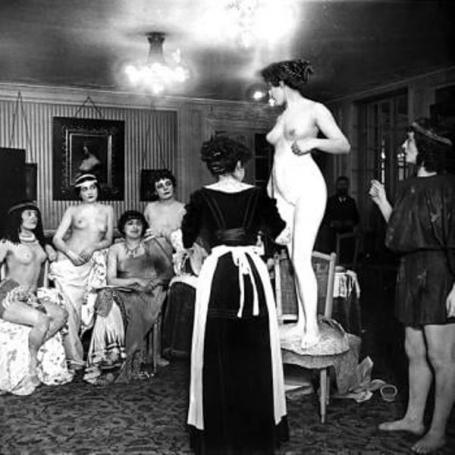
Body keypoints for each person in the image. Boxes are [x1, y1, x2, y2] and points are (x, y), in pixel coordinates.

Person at [184, 136, 290, 454]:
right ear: (240, 166)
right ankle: (256, 430)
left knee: (216, 345)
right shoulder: (257, 195)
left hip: (218, 275)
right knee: (255, 346)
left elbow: (187, 238)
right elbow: (281, 233)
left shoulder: (201, 197)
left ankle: (218, 432)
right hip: (252, 276)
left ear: (215, 168)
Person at [369, 118, 455, 454]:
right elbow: (401, 234)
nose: (403, 147)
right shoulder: (406, 186)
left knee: (441, 357)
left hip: (441, 273)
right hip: (410, 271)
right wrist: (382, 203)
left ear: (426, 149)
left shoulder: (449, 186)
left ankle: (438, 431)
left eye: (409, 142)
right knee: (414, 351)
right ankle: (414, 419)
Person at [261, 59, 350, 349]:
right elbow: (279, 154)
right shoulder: (281, 117)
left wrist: (314, 143)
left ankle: (312, 327)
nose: (269, 94)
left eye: (271, 88)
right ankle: (301, 322)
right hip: (282, 194)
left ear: (281, 83)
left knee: (301, 259)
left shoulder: (315, 109)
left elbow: (343, 144)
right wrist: (271, 189)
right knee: (293, 261)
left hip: (308, 189)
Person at [84, 210, 174, 384]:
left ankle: (117, 363)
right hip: (124, 289)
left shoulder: (151, 245)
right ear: (123, 228)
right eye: (130, 223)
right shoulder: (115, 248)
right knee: (105, 297)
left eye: (138, 223)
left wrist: (151, 283)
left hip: (148, 294)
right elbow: (111, 280)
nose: (135, 227)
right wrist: (135, 280)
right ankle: (108, 357)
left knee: (113, 301)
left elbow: (168, 274)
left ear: (143, 227)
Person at [0, 202, 71, 392]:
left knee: (61, 315)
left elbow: (49, 255)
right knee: (42, 320)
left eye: (36, 215)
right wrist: (9, 286)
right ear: (17, 217)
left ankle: (31, 349)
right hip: (8, 295)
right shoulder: (6, 243)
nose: (34, 217)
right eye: (29, 214)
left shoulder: (39, 243)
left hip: (31, 297)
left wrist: (49, 247)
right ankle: (32, 365)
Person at [51, 173, 114, 371]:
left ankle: (77, 354)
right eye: (84, 189)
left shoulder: (108, 210)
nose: (89, 192)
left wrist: (93, 247)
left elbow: (108, 239)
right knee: (70, 312)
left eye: (92, 187)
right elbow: (57, 239)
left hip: (89, 266)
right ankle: (75, 358)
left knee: (85, 311)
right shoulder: (72, 210)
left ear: (98, 189)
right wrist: (70, 254)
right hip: (68, 264)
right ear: (79, 193)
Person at [318, 176, 360, 254]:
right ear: (336, 186)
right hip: (333, 236)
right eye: (340, 185)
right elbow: (324, 217)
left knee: (346, 255)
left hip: (348, 235)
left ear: (348, 186)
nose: (342, 187)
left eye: (344, 185)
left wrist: (351, 222)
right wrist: (332, 223)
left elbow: (356, 218)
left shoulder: (351, 202)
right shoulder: (330, 201)